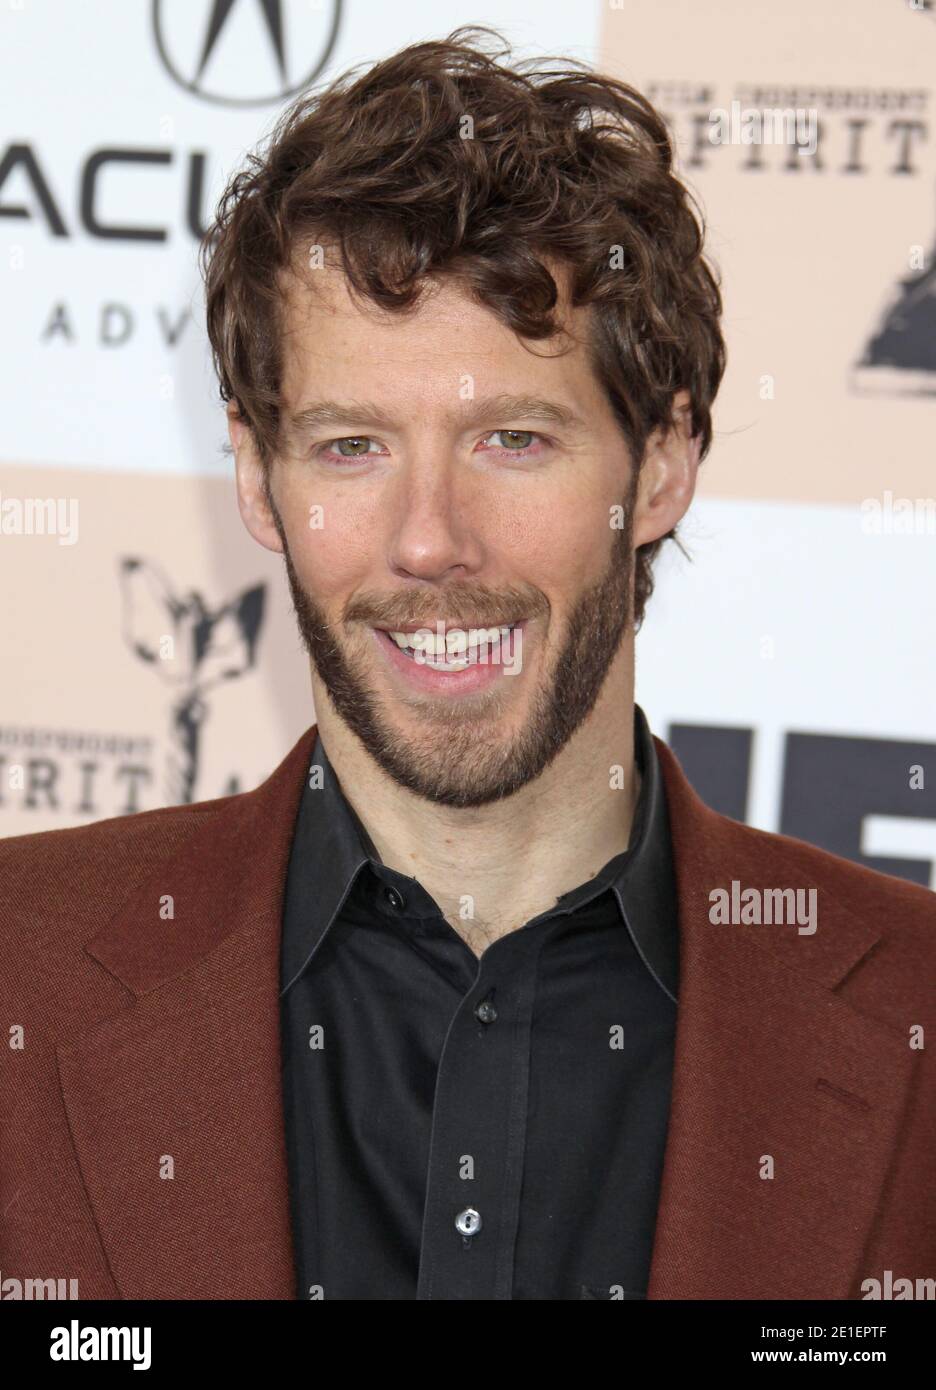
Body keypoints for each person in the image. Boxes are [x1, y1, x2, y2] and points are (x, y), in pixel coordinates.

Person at [1, 28, 933, 1302]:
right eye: (349, 446)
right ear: (254, 475)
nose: (429, 541)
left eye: (511, 437)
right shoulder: (23, 967)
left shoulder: (915, 1017)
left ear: (660, 464)